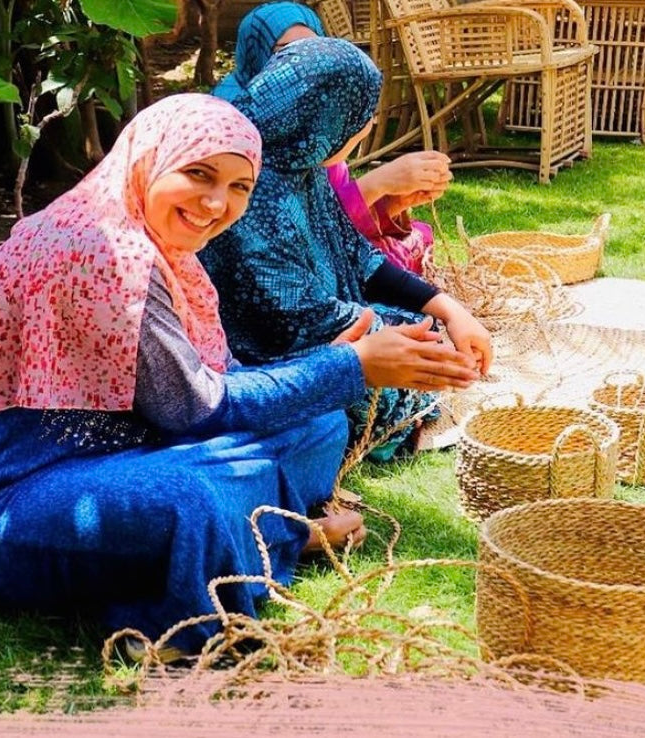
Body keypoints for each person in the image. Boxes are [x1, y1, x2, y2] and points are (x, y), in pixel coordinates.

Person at [0, 93, 479, 658]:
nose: (217, 204)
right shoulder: (104, 253)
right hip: (15, 493)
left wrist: (319, 372)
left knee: (321, 426)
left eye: (240, 186)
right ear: (150, 159)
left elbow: (212, 384)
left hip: (133, 448)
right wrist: (350, 365)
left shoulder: (165, 245)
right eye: (198, 174)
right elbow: (194, 409)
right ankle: (258, 554)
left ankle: (247, 538)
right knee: (188, 501)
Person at [203, 38, 491, 460]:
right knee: (387, 375)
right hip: (265, 367)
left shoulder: (299, 166)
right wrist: (407, 339)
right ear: (327, 113)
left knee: (424, 335)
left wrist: (449, 309)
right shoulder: (250, 190)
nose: (368, 123)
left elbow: (360, 256)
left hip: (330, 328)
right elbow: (294, 320)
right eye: (362, 111)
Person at [213, 0, 451, 274]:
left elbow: (334, 215)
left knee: (414, 238)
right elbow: (306, 234)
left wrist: (392, 201)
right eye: (288, 52)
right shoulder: (240, 135)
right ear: (256, 54)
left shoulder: (319, 128)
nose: (306, 65)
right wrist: (378, 182)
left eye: (314, 51)